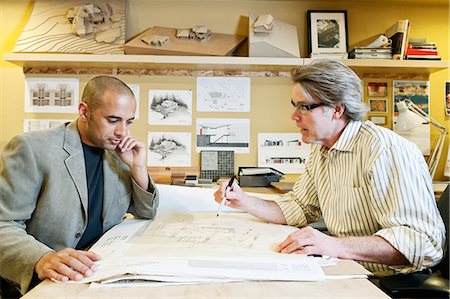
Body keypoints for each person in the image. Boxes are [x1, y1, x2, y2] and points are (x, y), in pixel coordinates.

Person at [214, 60, 445, 274]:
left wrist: (333, 245)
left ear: (337, 109)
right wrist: (244, 201)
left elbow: (423, 244)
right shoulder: (322, 148)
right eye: (295, 105)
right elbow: (301, 208)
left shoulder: (385, 150)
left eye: (304, 107)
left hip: (383, 280)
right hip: (345, 267)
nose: (294, 116)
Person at [0, 76, 159, 296]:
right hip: (45, 282)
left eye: (129, 121)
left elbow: (146, 211)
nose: (122, 131)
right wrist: (40, 258)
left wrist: (138, 168)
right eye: (113, 120)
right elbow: (3, 225)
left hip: (97, 276)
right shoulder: (32, 148)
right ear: (84, 112)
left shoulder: (119, 154)